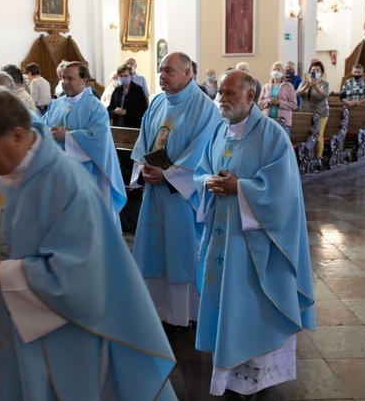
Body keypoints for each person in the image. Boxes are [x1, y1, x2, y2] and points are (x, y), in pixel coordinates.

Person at [0, 88, 177, 400]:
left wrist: (3, 273)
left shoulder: (66, 183)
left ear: (17, 136)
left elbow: (80, 275)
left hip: (54, 327)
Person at [194, 70, 316, 397]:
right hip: (222, 238)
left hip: (254, 246)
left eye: (229, 93)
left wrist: (241, 188)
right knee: (226, 305)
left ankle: (259, 374)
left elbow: (284, 191)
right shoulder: (219, 131)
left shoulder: (272, 134)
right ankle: (229, 369)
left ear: (250, 97)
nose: (221, 98)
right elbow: (200, 172)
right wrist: (209, 182)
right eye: (220, 92)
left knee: (251, 306)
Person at [131, 52, 221, 327]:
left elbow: (204, 153)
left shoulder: (205, 108)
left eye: (169, 70)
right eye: (160, 70)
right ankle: (156, 311)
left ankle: (184, 315)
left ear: (187, 73)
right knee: (153, 253)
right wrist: (144, 169)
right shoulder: (157, 102)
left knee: (181, 253)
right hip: (155, 192)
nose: (162, 75)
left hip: (182, 197)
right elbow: (144, 143)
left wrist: (169, 174)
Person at [44, 62, 126, 229]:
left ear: (84, 80)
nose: (64, 82)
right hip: (58, 174)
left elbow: (99, 140)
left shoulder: (95, 107)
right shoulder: (56, 104)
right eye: (62, 78)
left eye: (70, 79)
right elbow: (44, 126)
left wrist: (66, 137)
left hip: (87, 175)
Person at [296, 60, 330, 158]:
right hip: (306, 113)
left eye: (317, 70)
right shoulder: (304, 83)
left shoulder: (324, 84)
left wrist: (315, 86)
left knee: (318, 137)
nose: (315, 71)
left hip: (321, 113)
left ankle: (317, 158)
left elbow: (323, 96)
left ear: (321, 72)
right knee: (306, 136)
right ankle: (306, 157)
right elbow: (296, 94)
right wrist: (306, 86)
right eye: (313, 70)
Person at [258, 62, 297, 137]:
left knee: (282, 143)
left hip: (283, 121)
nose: (276, 71)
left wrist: (279, 103)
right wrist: (268, 102)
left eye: (278, 69)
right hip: (268, 120)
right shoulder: (266, 86)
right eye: (274, 69)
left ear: (283, 72)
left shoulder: (289, 86)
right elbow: (259, 103)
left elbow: (293, 105)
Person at [108, 64, 148, 128]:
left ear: (131, 76)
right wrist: (115, 111)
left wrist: (126, 112)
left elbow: (142, 110)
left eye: (126, 76)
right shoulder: (117, 90)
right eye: (121, 76)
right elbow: (110, 108)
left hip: (133, 125)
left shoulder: (138, 89)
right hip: (118, 125)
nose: (123, 78)